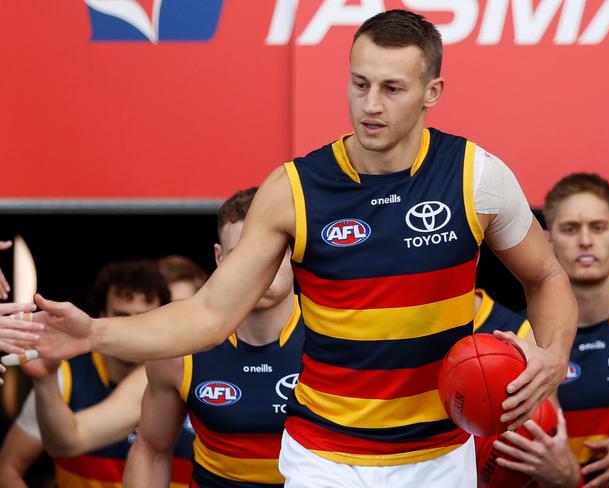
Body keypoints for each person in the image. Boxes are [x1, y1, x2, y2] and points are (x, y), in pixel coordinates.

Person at [6, 10, 577, 487]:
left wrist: (551, 357)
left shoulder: (477, 176)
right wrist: (93, 333)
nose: (370, 104)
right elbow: (210, 314)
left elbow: (548, 278)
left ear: (433, 92)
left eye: (392, 88)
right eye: (359, 83)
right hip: (322, 458)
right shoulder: (293, 189)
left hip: (438, 458)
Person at [124, 188, 304, 487]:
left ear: (292, 251)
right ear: (220, 258)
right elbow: (151, 450)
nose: (257, 269)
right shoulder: (180, 347)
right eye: (242, 256)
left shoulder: (336, 335)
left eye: (270, 254)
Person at [493, 173, 609, 487]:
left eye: (598, 227)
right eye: (570, 229)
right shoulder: (522, 340)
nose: (586, 241)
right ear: (548, 241)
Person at [2, 260, 191, 488]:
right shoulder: (65, 377)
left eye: (142, 317)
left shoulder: (185, 373)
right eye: (121, 315)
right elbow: (59, 446)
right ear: (102, 316)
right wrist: (46, 381)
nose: (131, 326)